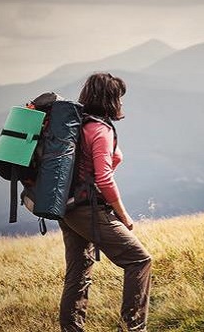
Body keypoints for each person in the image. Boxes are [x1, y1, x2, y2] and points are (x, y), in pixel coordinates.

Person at [59, 72, 152, 332]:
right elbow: (104, 178)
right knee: (139, 261)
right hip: (89, 209)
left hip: (67, 207)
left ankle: (71, 329)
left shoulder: (80, 124)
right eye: (119, 98)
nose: (121, 103)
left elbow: (104, 163)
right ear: (111, 100)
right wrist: (123, 215)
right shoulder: (99, 130)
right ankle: (133, 329)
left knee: (78, 271)